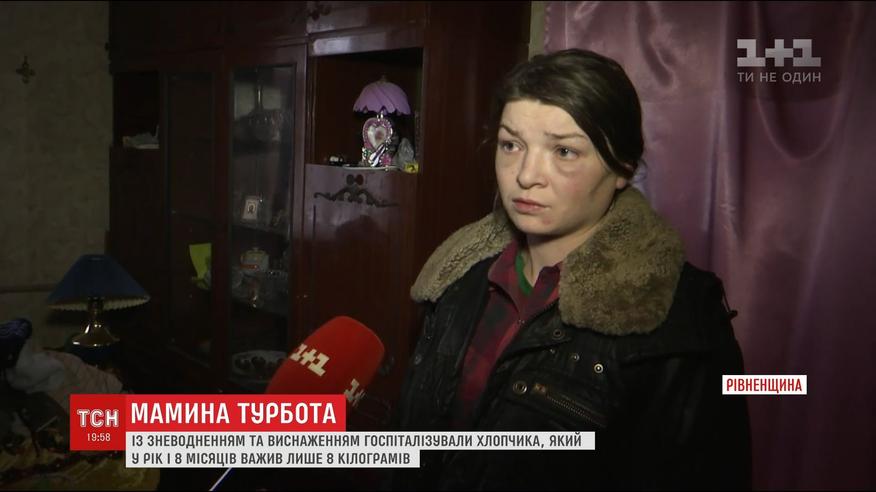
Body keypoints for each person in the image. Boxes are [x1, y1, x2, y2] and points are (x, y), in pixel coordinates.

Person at [394, 49, 752, 490]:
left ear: (622, 167)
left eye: (564, 151)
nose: (526, 175)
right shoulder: (455, 279)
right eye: (511, 145)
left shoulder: (679, 322)